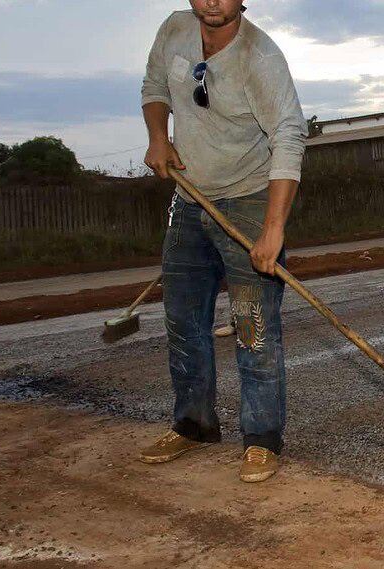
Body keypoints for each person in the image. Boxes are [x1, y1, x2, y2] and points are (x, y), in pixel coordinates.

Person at [137, 0, 307, 483]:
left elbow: (290, 137)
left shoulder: (261, 58)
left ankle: (262, 439)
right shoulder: (173, 29)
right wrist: (157, 136)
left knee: (253, 327)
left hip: (250, 201)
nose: (212, 1)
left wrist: (272, 228)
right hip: (189, 201)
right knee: (183, 322)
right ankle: (193, 425)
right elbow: (154, 88)